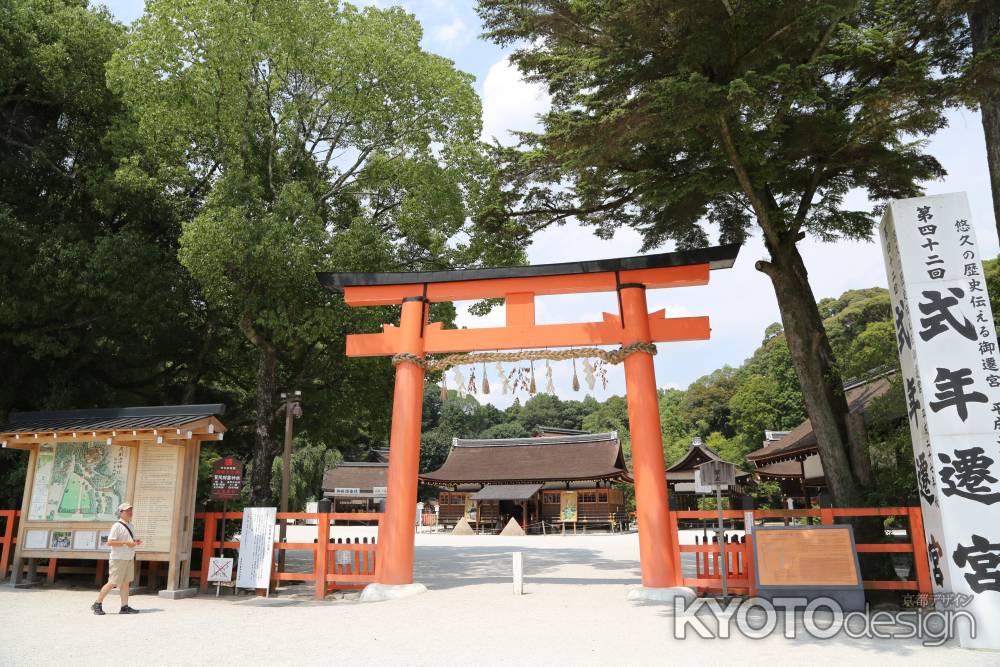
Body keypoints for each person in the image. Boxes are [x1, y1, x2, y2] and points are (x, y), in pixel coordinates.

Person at [91, 502, 143, 615]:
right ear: (120, 512)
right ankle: (97, 604)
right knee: (113, 582)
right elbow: (110, 542)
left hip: (128, 557)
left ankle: (124, 606)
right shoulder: (117, 526)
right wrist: (126, 543)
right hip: (118, 558)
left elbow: (129, 541)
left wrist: (135, 542)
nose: (130, 512)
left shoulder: (131, 525)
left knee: (125, 583)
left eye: (130, 510)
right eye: (127, 510)